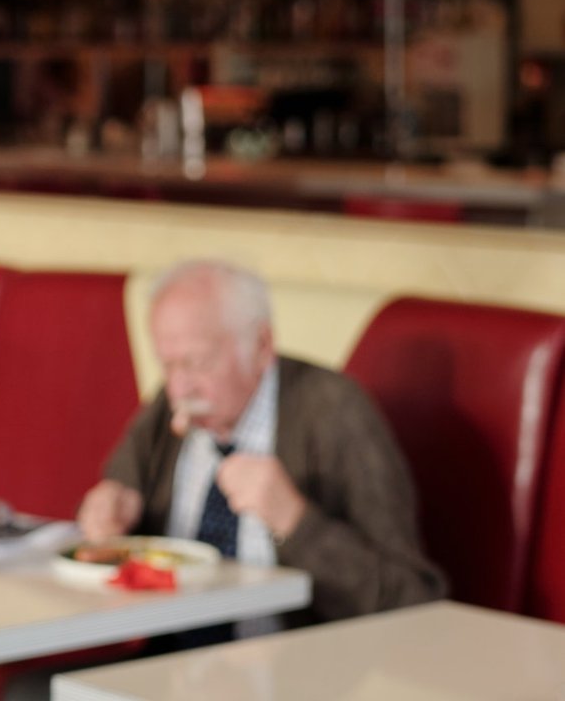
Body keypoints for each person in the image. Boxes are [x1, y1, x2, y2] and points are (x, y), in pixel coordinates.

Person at [76, 259, 444, 632]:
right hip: (164, 661)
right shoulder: (169, 407)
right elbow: (116, 497)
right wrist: (112, 510)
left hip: (293, 670)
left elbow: (413, 599)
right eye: (167, 366)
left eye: (198, 362)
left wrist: (295, 522)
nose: (180, 388)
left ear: (262, 346)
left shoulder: (335, 412)